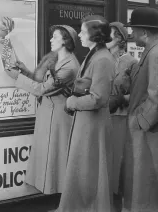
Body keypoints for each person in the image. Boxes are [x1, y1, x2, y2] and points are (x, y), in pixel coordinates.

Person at [5, 25, 80, 195]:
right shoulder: (56, 60)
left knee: (56, 157)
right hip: (47, 114)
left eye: (55, 37)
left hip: (58, 118)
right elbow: (40, 83)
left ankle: (61, 197)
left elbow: (42, 90)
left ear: (66, 41)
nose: (51, 40)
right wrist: (24, 70)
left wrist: (16, 76)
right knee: (47, 157)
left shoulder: (70, 67)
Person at [58, 15, 115, 212]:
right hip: (87, 122)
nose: (80, 35)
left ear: (95, 35)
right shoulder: (96, 55)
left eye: (83, 31)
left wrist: (72, 101)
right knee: (84, 169)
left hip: (93, 124)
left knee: (90, 170)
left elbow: (99, 98)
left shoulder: (102, 59)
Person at [123, 7, 158, 212]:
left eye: (134, 29)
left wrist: (139, 121)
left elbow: (156, 96)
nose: (131, 33)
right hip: (146, 129)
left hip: (148, 130)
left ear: (144, 32)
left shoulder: (155, 53)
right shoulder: (151, 51)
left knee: (146, 180)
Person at [106, 22, 138, 212]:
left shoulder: (131, 63)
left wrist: (120, 99)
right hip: (101, 118)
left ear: (119, 37)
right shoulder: (101, 58)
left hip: (121, 119)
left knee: (118, 168)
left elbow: (140, 94)